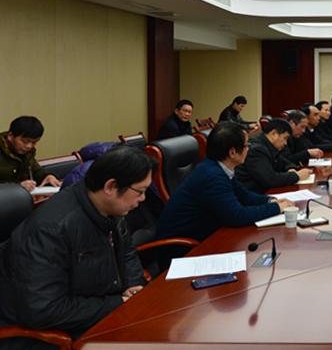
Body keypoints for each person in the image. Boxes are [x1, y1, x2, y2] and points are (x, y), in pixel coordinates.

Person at [0, 146, 151, 341]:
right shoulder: (51, 229)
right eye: (140, 191)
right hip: (52, 335)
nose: (143, 198)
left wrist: (132, 284)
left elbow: (127, 251)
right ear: (111, 187)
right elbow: (43, 309)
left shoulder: (110, 208)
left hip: (96, 311)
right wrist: (116, 303)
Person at [156, 122, 294, 243]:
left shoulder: (219, 168)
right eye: (246, 145)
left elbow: (245, 196)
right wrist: (277, 208)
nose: (248, 148)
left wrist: (271, 200)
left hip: (207, 233)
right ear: (232, 152)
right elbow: (236, 216)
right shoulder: (212, 176)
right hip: (183, 247)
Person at [235, 118, 313, 192]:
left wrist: (291, 168)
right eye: (285, 138)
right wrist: (297, 176)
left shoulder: (269, 145)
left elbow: (284, 162)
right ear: (274, 134)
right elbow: (270, 179)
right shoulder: (256, 149)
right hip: (254, 194)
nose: (285, 143)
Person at [0, 116, 61, 191]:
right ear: (10, 136)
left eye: (34, 142)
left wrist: (47, 176)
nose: (29, 146)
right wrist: (18, 186)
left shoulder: (27, 153)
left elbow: (36, 171)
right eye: (25, 141)